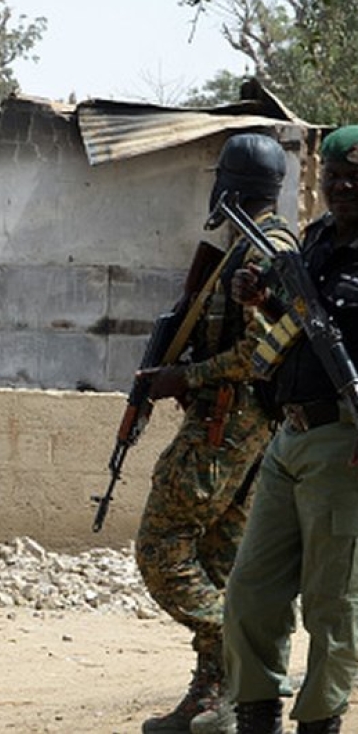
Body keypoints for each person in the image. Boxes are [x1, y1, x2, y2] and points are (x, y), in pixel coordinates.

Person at [137, 132, 293, 734]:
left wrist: (184, 376)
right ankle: (213, 701)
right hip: (251, 429)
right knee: (216, 558)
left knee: (161, 548)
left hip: (230, 423)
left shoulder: (260, 252)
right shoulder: (261, 242)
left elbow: (260, 350)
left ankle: (242, 649)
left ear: (229, 183)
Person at [225, 125, 358, 734]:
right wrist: (261, 298)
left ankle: (321, 721)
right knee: (251, 589)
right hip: (290, 435)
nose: (344, 187)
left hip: (344, 442)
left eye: (355, 178)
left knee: (332, 603)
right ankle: (255, 714)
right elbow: (295, 324)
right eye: (334, 177)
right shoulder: (317, 240)